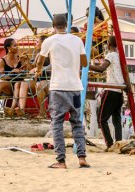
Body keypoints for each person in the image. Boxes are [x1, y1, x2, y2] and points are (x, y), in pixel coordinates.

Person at [35, 13, 89, 169]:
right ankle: (82, 157)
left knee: (57, 123)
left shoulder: (49, 41)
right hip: (75, 88)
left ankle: (61, 160)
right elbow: (84, 62)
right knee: (77, 123)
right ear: (66, 24)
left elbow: (40, 60)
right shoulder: (77, 40)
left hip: (58, 87)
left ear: (53, 26)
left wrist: (38, 70)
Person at [89, 36, 125, 150]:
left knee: (101, 119)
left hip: (111, 90)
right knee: (116, 119)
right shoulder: (120, 56)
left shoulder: (110, 55)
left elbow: (101, 69)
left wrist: (86, 65)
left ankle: (109, 143)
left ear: (108, 44)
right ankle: (119, 143)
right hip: (119, 90)